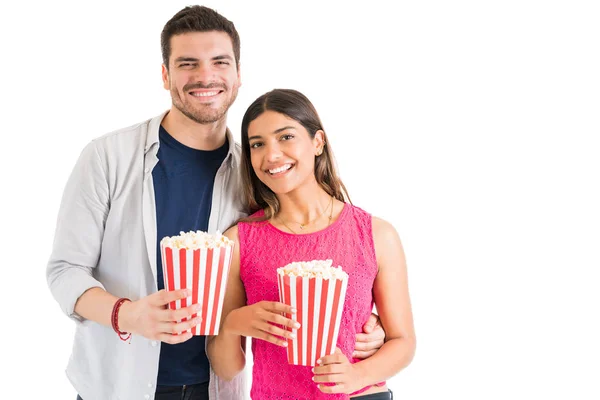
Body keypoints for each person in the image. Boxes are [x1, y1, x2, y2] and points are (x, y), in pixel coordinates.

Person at [46, 6, 386, 400]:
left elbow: (301, 247)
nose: (205, 77)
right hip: (117, 384)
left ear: (238, 74)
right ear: (165, 75)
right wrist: (128, 314)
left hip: (216, 387)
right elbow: (65, 271)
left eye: (219, 62)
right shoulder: (107, 156)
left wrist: (362, 320)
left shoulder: (259, 171)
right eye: (187, 63)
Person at [206, 89, 416, 399]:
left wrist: (357, 374)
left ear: (318, 142)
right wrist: (233, 324)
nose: (272, 155)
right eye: (258, 144)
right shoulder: (238, 243)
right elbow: (226, 368)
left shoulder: (376, 234)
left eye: (286, 137)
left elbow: (403, 342)